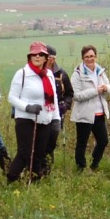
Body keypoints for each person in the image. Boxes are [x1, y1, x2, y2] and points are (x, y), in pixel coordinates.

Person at [6, 41, 58, 183]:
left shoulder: (49, 75)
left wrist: (56, 119)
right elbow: (12, 97)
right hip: (25, 118)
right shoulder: (22, 74)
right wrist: (27, 107)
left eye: (41, 54)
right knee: (25, 153)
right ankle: (10, 180)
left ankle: (34, 181)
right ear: (29, 57)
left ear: (46, 57)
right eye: (34, 54)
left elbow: (54, 98)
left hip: (45, 118)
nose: (37, 56)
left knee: (40, 154)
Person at [71, 45, 110, 172]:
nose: (90, 59)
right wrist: (95, 91)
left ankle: (94, 165)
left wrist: (106, 89)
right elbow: (76, 96)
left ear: (96, 56)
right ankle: (80, 168)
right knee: (82, 143)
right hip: (84, 114)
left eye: (92, 56)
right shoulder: (77, 73)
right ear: (82, 58)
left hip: (100, 113)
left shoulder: (100, 71)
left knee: (103, 141)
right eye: (87, 57)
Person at [42, 45, 73, 174]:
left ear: (54, 59)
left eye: (50, 58)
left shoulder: (61, 74)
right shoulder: (37, 73)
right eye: (46, 57)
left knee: (51, 140)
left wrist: (65, 105)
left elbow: (70, 93)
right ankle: (40, 167)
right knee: (41, 140)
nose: (48, 60)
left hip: (57, 112)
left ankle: (48, 168)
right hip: (41, 112)